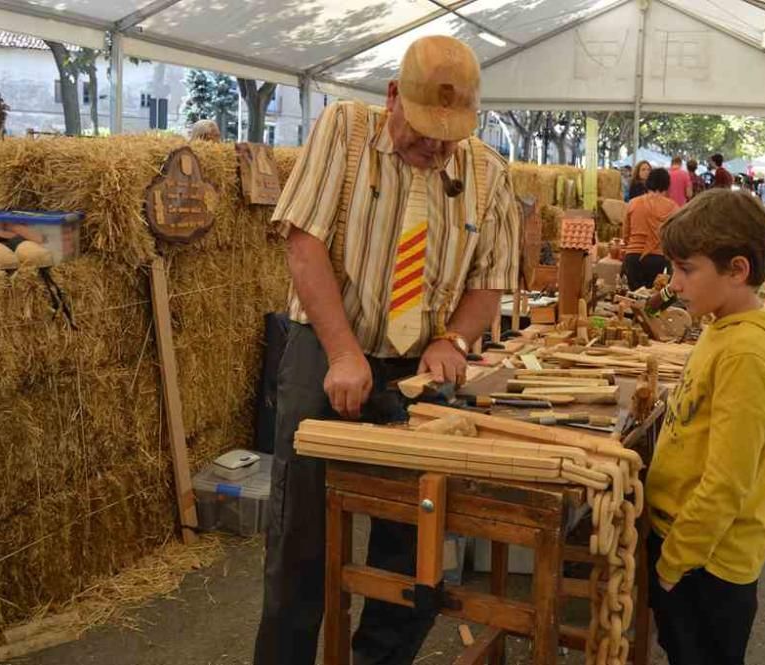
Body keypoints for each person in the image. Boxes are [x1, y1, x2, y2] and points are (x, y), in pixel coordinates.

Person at [253, 35, 519, 665]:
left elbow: (490, 281)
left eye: (448, 135)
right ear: (392, 96)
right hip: (328, 343)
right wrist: (344, 352)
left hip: (415, 365)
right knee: (301, 533)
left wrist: (453, 340)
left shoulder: (488, 172)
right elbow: (303, 247)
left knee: (416, 534)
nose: (434, 146)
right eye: (424, 129)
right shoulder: (344, 131)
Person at [646, 189, 765, 665]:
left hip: (705, 559)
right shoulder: (723, 325)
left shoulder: (747, 355)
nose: (676, 283)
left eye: (687, 270)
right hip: (689, 542)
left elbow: (728, 480)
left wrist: (676, 560)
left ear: (737, 270)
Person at [622, 168, 678, 289]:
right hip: (657, 258)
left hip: (633, 256)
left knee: (633, 298)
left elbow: (625, 234)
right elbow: (675, 239)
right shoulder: (674, 208)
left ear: (648, 182)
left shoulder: (633, 203)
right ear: (667, 185)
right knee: (651, 298)